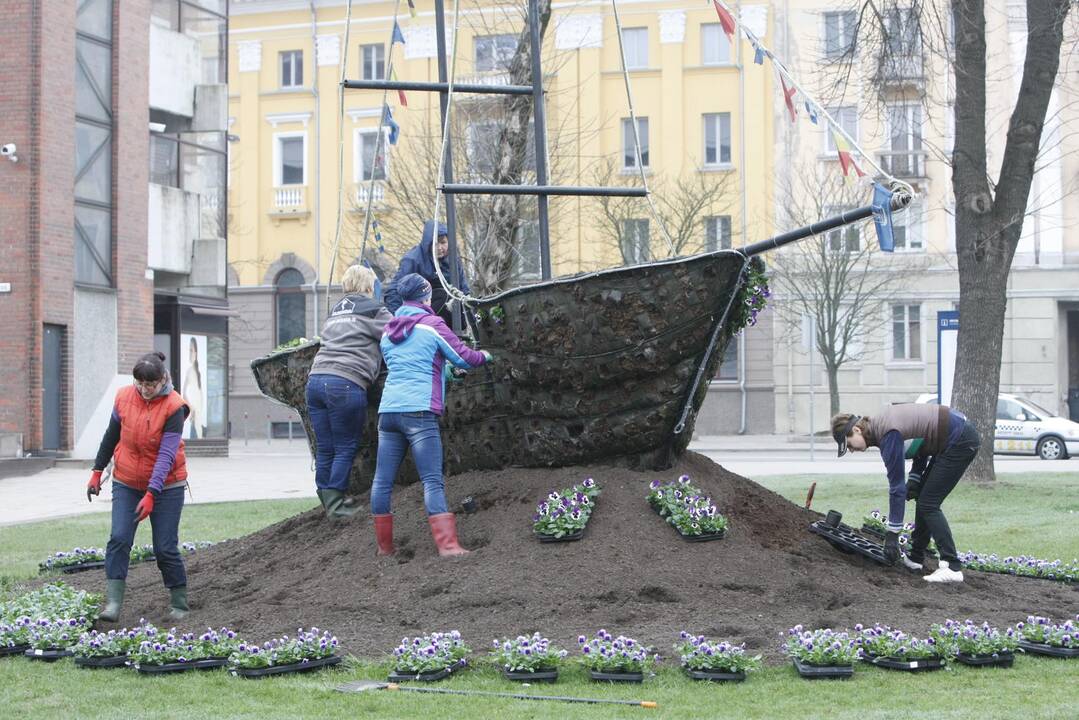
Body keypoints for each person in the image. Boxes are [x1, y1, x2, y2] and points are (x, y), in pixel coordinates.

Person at [371, 273, 492, 557]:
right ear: (425, 297)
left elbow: (410, 364)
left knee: (382, 481)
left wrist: (442, 370)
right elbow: (463, 357)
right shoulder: (432, 324)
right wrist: (486, 355)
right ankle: (448, 547)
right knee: (432, 480)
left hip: (388, 412)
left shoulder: (388, 330)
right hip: (419, 412)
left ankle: (384, 549)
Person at [86, 351, 191, 622]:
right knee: (119, 538)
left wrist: (152, 494)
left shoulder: (174, 407)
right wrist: (97, 471)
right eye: (140, 384)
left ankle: (179, 603)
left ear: (163, 379)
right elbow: (111, 436)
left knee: (164, 547)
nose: (145, 390)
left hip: (167, 486)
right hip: (127, 481)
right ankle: (113, 604)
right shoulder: (123, 397)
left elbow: (166, 456)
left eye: (151, 385)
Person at [831, 403, 981, 583]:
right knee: (925, 499)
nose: (851, 450)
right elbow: (923, 441)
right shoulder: (882, 427)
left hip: (959, 440)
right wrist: (915, 479)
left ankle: (952, 566)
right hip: (954, 437)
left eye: (849, 445)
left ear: (856, 429)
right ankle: (916, 557)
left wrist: (892, 535)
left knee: (929, 504)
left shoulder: (887, 434)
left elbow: (896, 489)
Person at [306, 265, 391, 519]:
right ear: (368, 286)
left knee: (325, 447)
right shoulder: (374, 309)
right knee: (345, 446)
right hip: (345, 382)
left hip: (315, 380)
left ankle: (327, 497)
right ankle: (336, 505)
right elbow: (398, 333)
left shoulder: (335, 311)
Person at [384, 220, 471, 326]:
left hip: (450, 314)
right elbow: (394, 291)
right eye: (435, 243)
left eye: (443, 242)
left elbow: (463, 289)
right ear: (428, 243)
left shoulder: (454, 259)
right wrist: (400, 321)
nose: (439, 248)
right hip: (419, 314)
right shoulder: (413, 260)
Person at [182, 337, 204, 440]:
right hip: (194, 412)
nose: (190, 354)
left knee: (196, 433)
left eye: (191, 350)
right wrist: (191, 408)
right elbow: (184, 392)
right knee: (196, 434)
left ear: (196, 352)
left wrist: (194, 409)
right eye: (189, 350)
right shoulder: (190, 371)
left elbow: (198, 394)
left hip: (197, 413)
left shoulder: (195, 372)